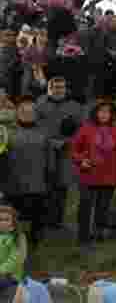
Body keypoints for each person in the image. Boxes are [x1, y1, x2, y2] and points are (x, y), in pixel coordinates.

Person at [70, 98, 116, 247]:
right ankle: (83, 236)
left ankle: (99, 234)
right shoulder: (85, 129)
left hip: (109, 177)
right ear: (95, 112)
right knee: (85, 206)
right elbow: (73, 150)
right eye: (101, 111)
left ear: (112, 114)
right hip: (88, 175)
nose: (104, 115)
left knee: (103, 208)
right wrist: (81, 159)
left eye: (107, 112)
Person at [33, 76, 84, 229]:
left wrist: (72, 136)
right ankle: (43, 221)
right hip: (44, 150)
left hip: (66, 151)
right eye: (54, 87)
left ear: (65, 88)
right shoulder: (39, 105)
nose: (58, 90)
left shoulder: (74, 106)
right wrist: (53, 142)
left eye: (61, 87)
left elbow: (82, 129)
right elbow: (35, 127)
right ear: (48, 88)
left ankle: (58, 221)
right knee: (46, 185)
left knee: (62, 186)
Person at [4, 98, 48, 250]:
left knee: (37, 216)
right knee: (12, 216)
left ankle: (34, 242)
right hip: (13, 183)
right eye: (24, 111)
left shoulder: (44, 132)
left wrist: (50, 176)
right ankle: (11, 243)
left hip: (38, 183)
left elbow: (50, 157)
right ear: (17, 113)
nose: (28, 114)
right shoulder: (7, 132)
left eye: (31, 112)